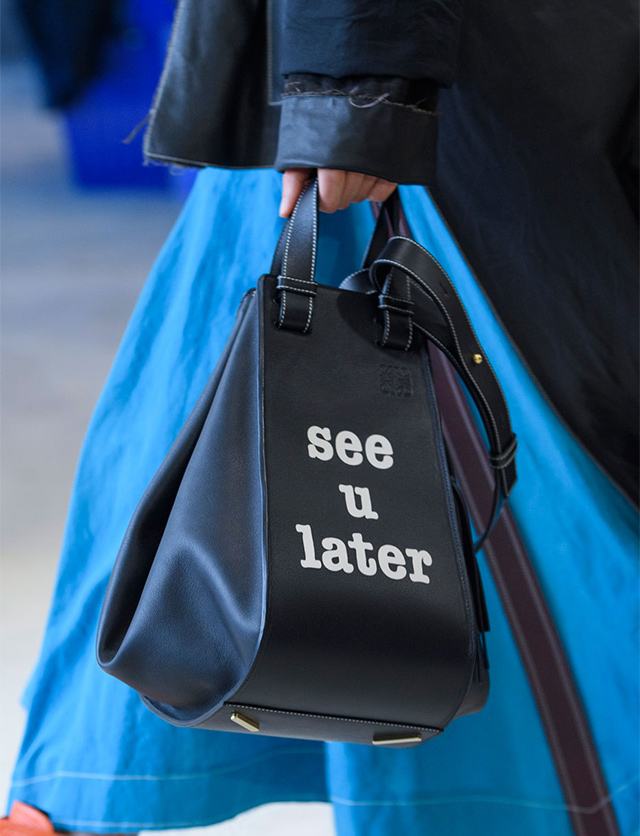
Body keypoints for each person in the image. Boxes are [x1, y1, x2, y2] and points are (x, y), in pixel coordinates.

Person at [3, 1, 638, 835]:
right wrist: (354, 94)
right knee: (486, 482)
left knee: (252, 447)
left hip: (422, 76)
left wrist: (352, 94)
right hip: (414, 79)